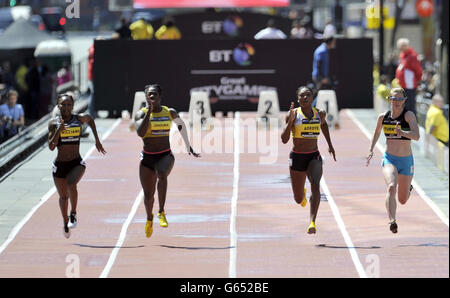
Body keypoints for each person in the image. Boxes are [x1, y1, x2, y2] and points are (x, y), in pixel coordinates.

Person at [134, 84, 200, 238]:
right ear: (145, 97)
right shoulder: (140, 114)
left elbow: (181, 125)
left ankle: (161, 212)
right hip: (147, 158)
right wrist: (148, 113)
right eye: (149, 95)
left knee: (162, 173)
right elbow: (140, 133)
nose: (151, 97)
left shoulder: (169, 112)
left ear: (160, 96)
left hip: (165, 155)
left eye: (154, 94)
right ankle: (149, 218)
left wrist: (188, 145)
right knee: (148, 195)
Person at [47, 93, 106, 238]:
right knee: (63, 197)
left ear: (73, 106)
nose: (66, 107)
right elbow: (51, 147)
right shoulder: (53, 124)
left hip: (76, 162)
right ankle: (65, 221)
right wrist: (58, 132)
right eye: (63, 105)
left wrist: (97, 140)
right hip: (60, 165)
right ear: (58, 106)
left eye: (69, 105)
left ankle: (73, 213)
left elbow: (91, 120)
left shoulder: (79, 119)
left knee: (71, 183)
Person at [281, 86, 336, 234]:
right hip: (297, 157)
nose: (305, 97)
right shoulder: (293, 114)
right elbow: (284, 140)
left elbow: (323, 125)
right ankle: (302, 195)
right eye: (302, 96)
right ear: (298, 99)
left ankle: (312, 221)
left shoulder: (320, 113)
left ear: (312, 98)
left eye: (308, 95)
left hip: (314, 156)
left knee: (316, 184)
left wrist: (330, 145)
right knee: (298, 199)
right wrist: (290, 122)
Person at [366, 87, 420, 234]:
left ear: (404, 101)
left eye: (399, 99)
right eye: (394, 99)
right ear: (389, 100)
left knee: (403, 199)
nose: (396, 102)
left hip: (406, 160)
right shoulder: (383, 117)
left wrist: (402, 132)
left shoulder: (408, 116)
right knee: (391, 186)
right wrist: (371, 150)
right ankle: (392, 220)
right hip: (390, 158)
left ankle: (408, 188)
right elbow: (377, 132)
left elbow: (417, 136)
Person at [395, 38, 423, 115]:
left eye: (403, 45)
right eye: (400, 45)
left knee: (410, 105)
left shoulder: (412, 55)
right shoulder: (402, 55)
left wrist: (418, 81)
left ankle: (413, 124)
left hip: (410, 85)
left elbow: (418, 70)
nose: (401, 47)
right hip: (403, 85)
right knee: (404, 105)